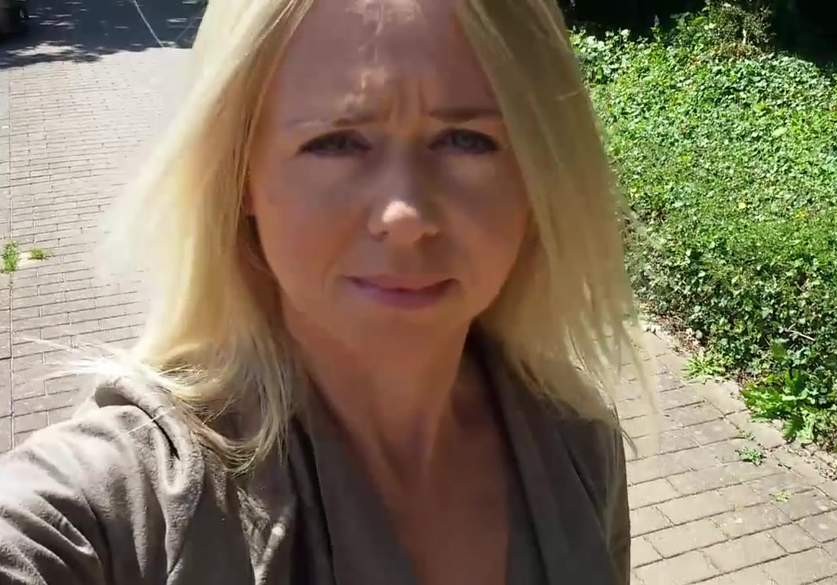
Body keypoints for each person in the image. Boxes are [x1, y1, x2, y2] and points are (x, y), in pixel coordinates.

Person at [0, 0, 640, 583]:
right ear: (241, 177)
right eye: (335, 142)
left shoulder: (580, 446)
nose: (405, 215)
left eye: (467, 140)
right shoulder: (128, 499)